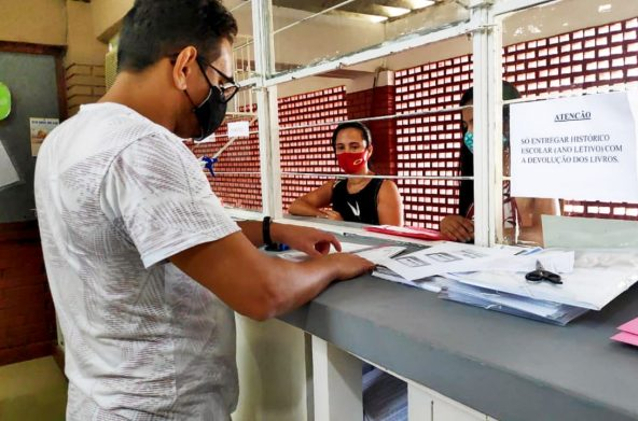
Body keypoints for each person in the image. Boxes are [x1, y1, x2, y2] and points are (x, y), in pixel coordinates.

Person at [33, 1, 373, 419]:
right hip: (162, 409)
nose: (221, 98)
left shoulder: (65, 140)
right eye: (221, 81)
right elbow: (262, 292)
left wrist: (273, 231)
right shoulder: (144, 146)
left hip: (95, 400)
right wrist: (337, 266)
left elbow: (164, 232)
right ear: (185, 65)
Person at [439, 84, 560, 244]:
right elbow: (470, 229)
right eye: (465, 126)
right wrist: (449, 224)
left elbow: (547, 234)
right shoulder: (480, 171)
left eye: (477, 122)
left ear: (507, 121)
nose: (469, 133)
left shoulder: (534, 168)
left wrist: (486, 233)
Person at [289, 121, 404, 226]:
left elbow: (395, 238)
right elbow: (296, 206)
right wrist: (324, 216)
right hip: (341, 248)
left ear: (369, 151)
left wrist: (343, 224)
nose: (347, 152)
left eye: (354, 147)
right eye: (341, 147)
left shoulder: (384, 188)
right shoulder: (335, 186)